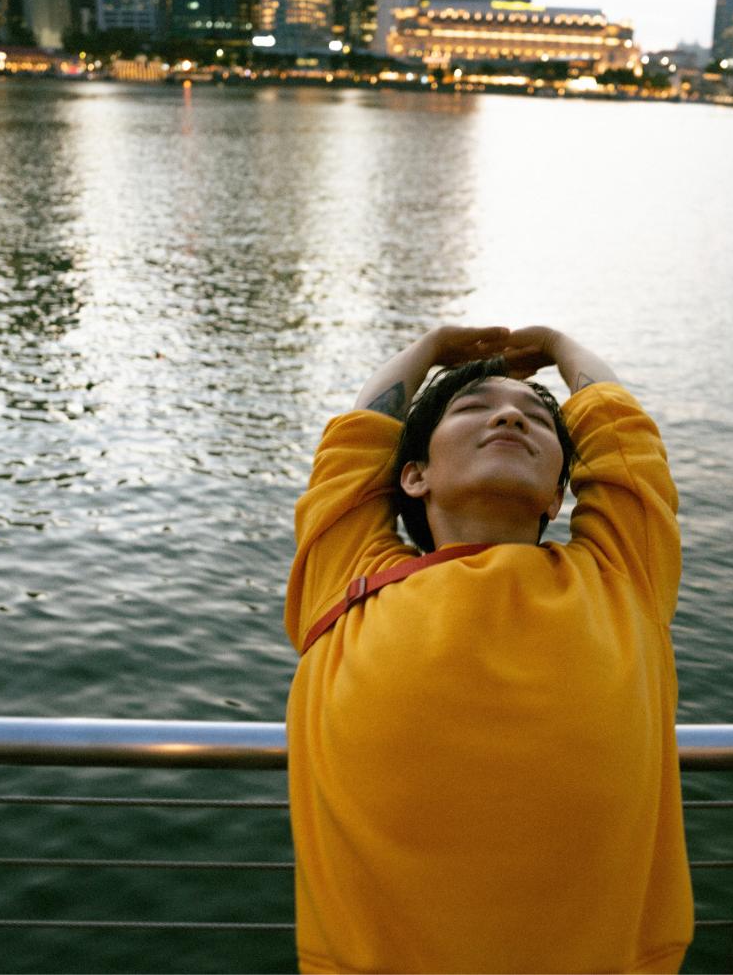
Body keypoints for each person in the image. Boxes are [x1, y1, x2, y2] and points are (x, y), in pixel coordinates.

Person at [283, 325, 692, 973]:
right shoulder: (347, 580)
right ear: (413, 476)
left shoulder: (622, 578)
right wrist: (434, 348)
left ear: (559, 493)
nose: (508, 413)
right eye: (474, 407)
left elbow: (623, 441)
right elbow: (355, 447)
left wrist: (560, 345)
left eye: (537, 418)